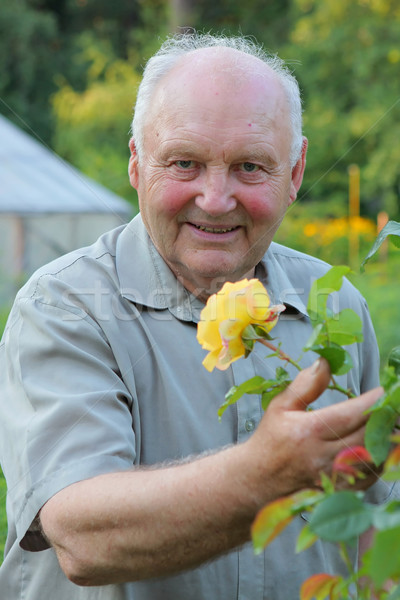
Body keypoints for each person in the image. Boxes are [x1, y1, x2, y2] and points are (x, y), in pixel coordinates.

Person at [0, 32, 390, 599]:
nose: (215, 198)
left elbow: (373, 533)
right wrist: (269, 471)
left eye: (250, 167)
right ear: (137, 163)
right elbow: (84, 539)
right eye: (184, 162)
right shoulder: (65, 306)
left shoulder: (336, 305)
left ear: (297, 173)